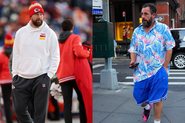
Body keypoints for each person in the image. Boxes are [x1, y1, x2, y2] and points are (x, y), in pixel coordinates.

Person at [11, 1, 60, 123]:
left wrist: (48, 76)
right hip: (21, 77)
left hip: (41, 77)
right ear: (30, 16)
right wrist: (14, 74)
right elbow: (16, 54)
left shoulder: (50, 33)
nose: (39, 17)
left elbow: (56, 57)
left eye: (41, 14)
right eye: (36, 14)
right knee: (19, 109)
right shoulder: (21, 33)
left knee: (40, 114)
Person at [128, 3, 175, 123]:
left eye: (146, 14)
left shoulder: (163, 29)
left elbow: (169, 48)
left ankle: (157, 121)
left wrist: (164, 67)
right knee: (138, 96)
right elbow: (133, 48)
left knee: (158, 99)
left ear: (153, 15)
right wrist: (133, 60)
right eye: (142, 14)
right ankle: (147, 107)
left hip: (158, 70)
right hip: (141, 71)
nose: (143, 16)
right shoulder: (137, 31)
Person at [56, 19, 92, 123]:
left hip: (62, 75)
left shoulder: (58, 41)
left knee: (67, 104)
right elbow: (79, 53)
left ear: (62, 28)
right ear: (72, 27)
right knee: (82, 99)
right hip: (74, 74)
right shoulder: (74, 37)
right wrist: (88, 53)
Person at [0, 33, 14, 123]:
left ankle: (9, 121)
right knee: (17, 101)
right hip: (15, 80)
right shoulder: (15, 53)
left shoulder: (1, 55)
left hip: (4, 81)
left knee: (6, 102)